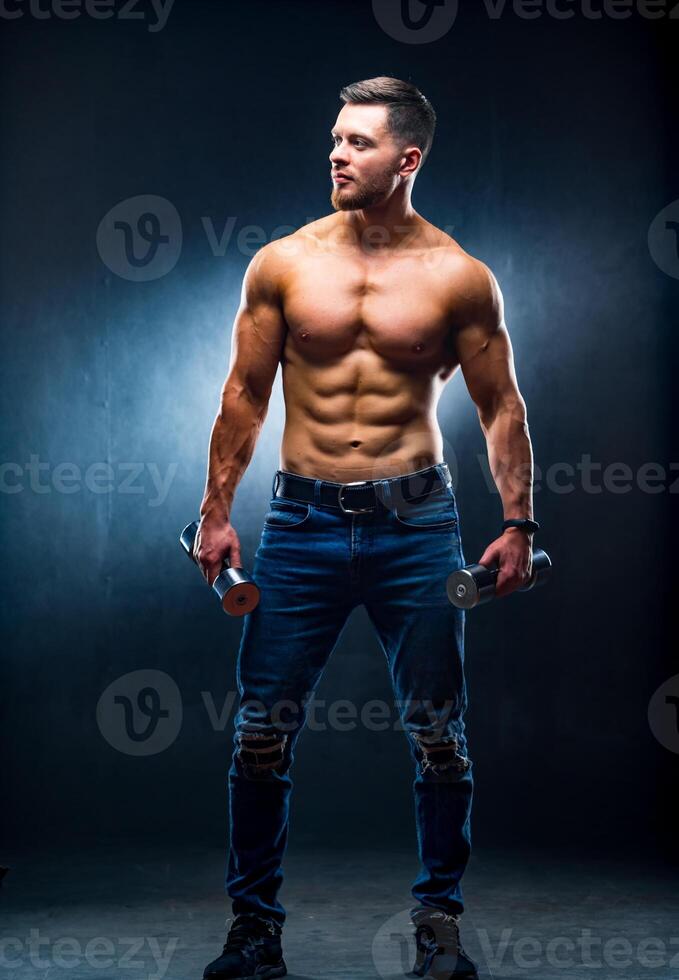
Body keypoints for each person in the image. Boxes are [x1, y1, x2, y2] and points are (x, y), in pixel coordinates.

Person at [194, 76, 536, 980]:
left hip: (416, 524)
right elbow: (243, 394)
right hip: (300, 521)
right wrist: (217, 512)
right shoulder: (283, 262)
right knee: (261, 729)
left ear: (406, 159)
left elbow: (502, 407)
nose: (336, 154)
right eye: (334, 138)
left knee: (437, 731)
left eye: (357, 142)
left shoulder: (459, 276)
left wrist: (517, 523)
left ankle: (438, 927)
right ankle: (253, 933)